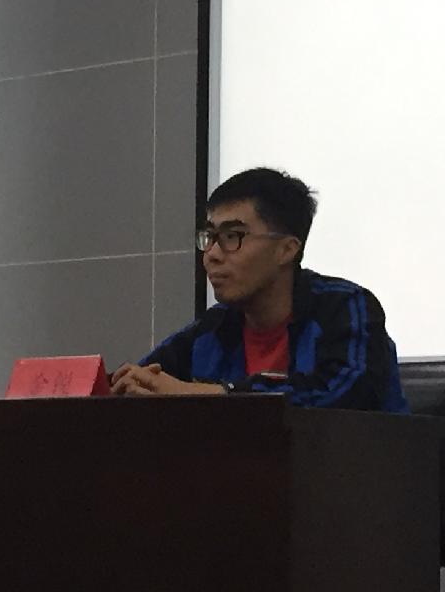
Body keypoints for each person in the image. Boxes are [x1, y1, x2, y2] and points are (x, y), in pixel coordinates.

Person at [113, 167, 408, 412]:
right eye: (209, 237)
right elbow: (146, 378)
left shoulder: (345, 307)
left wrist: (206, 393)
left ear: (286, 250)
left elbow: (343, 395)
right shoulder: (213, 328)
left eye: (232, 236)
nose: (212, 254)